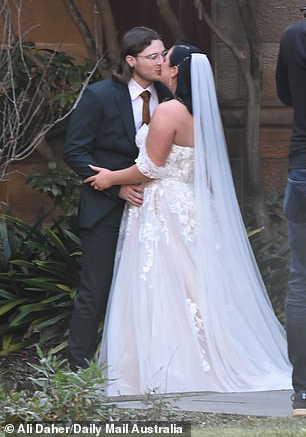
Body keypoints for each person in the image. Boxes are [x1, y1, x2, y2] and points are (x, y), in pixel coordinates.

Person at [87, 42, 291, 395]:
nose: (159, 64)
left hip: (165, 208)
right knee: (192, 285)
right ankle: (202, 360)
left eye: (164, 60)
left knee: (164, 284)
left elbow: (151, 166)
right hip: (191, 205)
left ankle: (172, 368)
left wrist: (110, 178)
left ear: (176, 70)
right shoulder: (199, 116)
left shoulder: (169, 111)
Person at [63, 26, 172, 371]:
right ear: (131, 60)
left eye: (162, 54)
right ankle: (77, 367)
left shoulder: (168, 99)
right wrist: (116, 185)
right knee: (95, 289)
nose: (159, 62)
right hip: (105, 207)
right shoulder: (99, 95)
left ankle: (139, 366)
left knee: (146, 289)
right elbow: (74, 152)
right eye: (151, 56)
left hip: (154, 210)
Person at [276, 17, 306, 416]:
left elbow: (285, 94)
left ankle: (302, 393)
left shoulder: (291, 35)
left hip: (303, 169)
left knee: (302, 280)